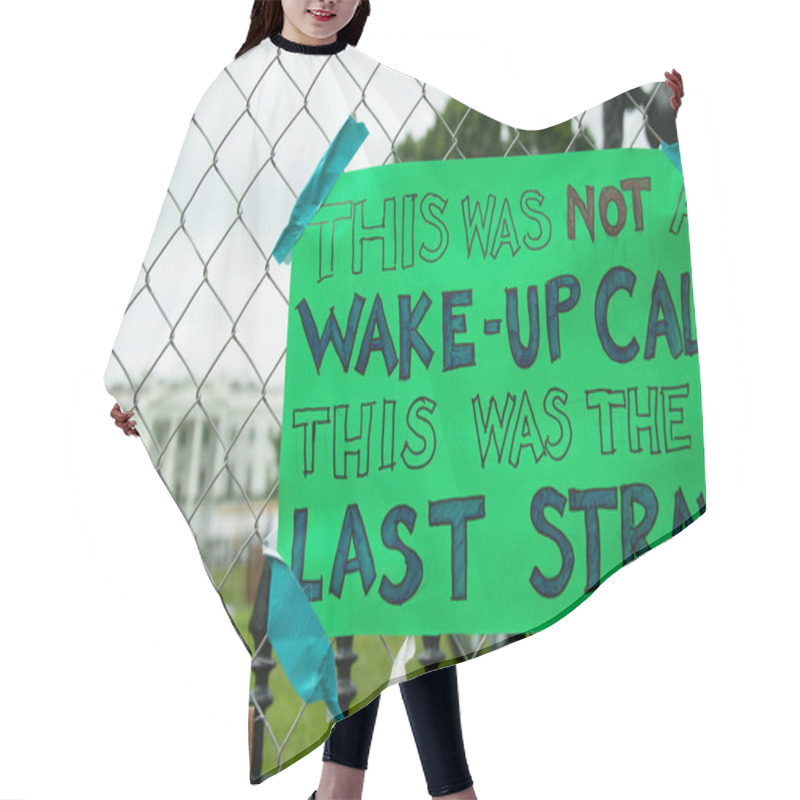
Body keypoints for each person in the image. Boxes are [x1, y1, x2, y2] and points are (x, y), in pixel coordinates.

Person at [109, 3, 685, 798]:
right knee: (354, 582)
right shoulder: (231, 94)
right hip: (282, 389)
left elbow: (488, 166)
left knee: (399, 578)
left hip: (376, 381)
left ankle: (358, 788)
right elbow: (193, 245)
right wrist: (153, 371)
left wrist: (633, 131)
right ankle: (411, 788)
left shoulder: (380, 91)